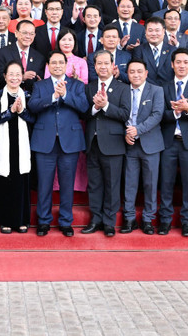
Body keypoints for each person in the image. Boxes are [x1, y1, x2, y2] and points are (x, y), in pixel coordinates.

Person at [28, 51, 89, 237]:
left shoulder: (77, 85)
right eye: (53, 63)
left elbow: (84, 107)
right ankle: (44, 221)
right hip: (44, 141)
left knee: (66, 184)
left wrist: (66, 95)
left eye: (60, 63)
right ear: (48, 66)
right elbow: (33, 106)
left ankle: (65, 221)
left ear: (66, 65)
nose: (57, 66)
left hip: (69, 141)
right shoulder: (40, 85)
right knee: (44, 184)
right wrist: (53, 96)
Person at [81, 51, 130, 237]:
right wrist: (94, 108)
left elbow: (125, 114)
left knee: (112, 184)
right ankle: (96, 219)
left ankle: (109, 221)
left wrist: (107, 106)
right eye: (99, 63)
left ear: (113, 65)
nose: (102, 66)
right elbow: (83, 113)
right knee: (94, 184)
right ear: (94, 67)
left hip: (113, 143)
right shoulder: (89, 87)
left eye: (106, 63)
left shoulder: (122, 88)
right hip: (92, 142)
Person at [158, 49, 188, 237]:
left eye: (185, 62)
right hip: (168, 141)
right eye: (178, 62)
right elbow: (160, 115)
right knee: (166, 182)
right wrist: (176, 113)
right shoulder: (164, 87)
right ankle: (165, 220)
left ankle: (187, 222)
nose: (182, 65)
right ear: (172, 64)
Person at [121, 59, 165, 235]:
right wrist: (126, 132)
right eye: (132, 72)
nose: (136, 75)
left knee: (150, 184)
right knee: (129, 184)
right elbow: (120, 114)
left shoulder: (156, 90)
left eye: (140, 71)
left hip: (150, 144)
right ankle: (129, 218)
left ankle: (148, 219)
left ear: (146, 73)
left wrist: (137, 130)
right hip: (129, 143)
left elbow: (157, 115)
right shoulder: (123, 90)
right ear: (128, 74)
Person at [0, 61, 35, 234]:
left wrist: (22, 111)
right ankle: (5, 220)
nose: (15, 77)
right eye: (11, 74)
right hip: (4, 144)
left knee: (21, 181)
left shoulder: (28, 95)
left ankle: (22, 219)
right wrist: (10, 111)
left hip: (23, 145)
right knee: (5, 181)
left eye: (18, 74)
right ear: (5, 76)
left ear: (22, 76)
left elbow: (33, 119)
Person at [0, 19, 46, 92]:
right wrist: (21, 77)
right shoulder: (4, 52)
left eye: (31, 34)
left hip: (31, 99)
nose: (28, 36)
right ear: (16, 33)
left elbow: (40, 80)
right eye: (24, 33)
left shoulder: (39, 57)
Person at [132, 17, 171, 86]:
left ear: (164, 32)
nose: (153, 34)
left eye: (157, 30)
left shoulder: (173, 50)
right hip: (147, 90)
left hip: (169, 91)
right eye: (150, 30)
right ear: (145, 32)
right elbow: (138, 73)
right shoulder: (139, 50)